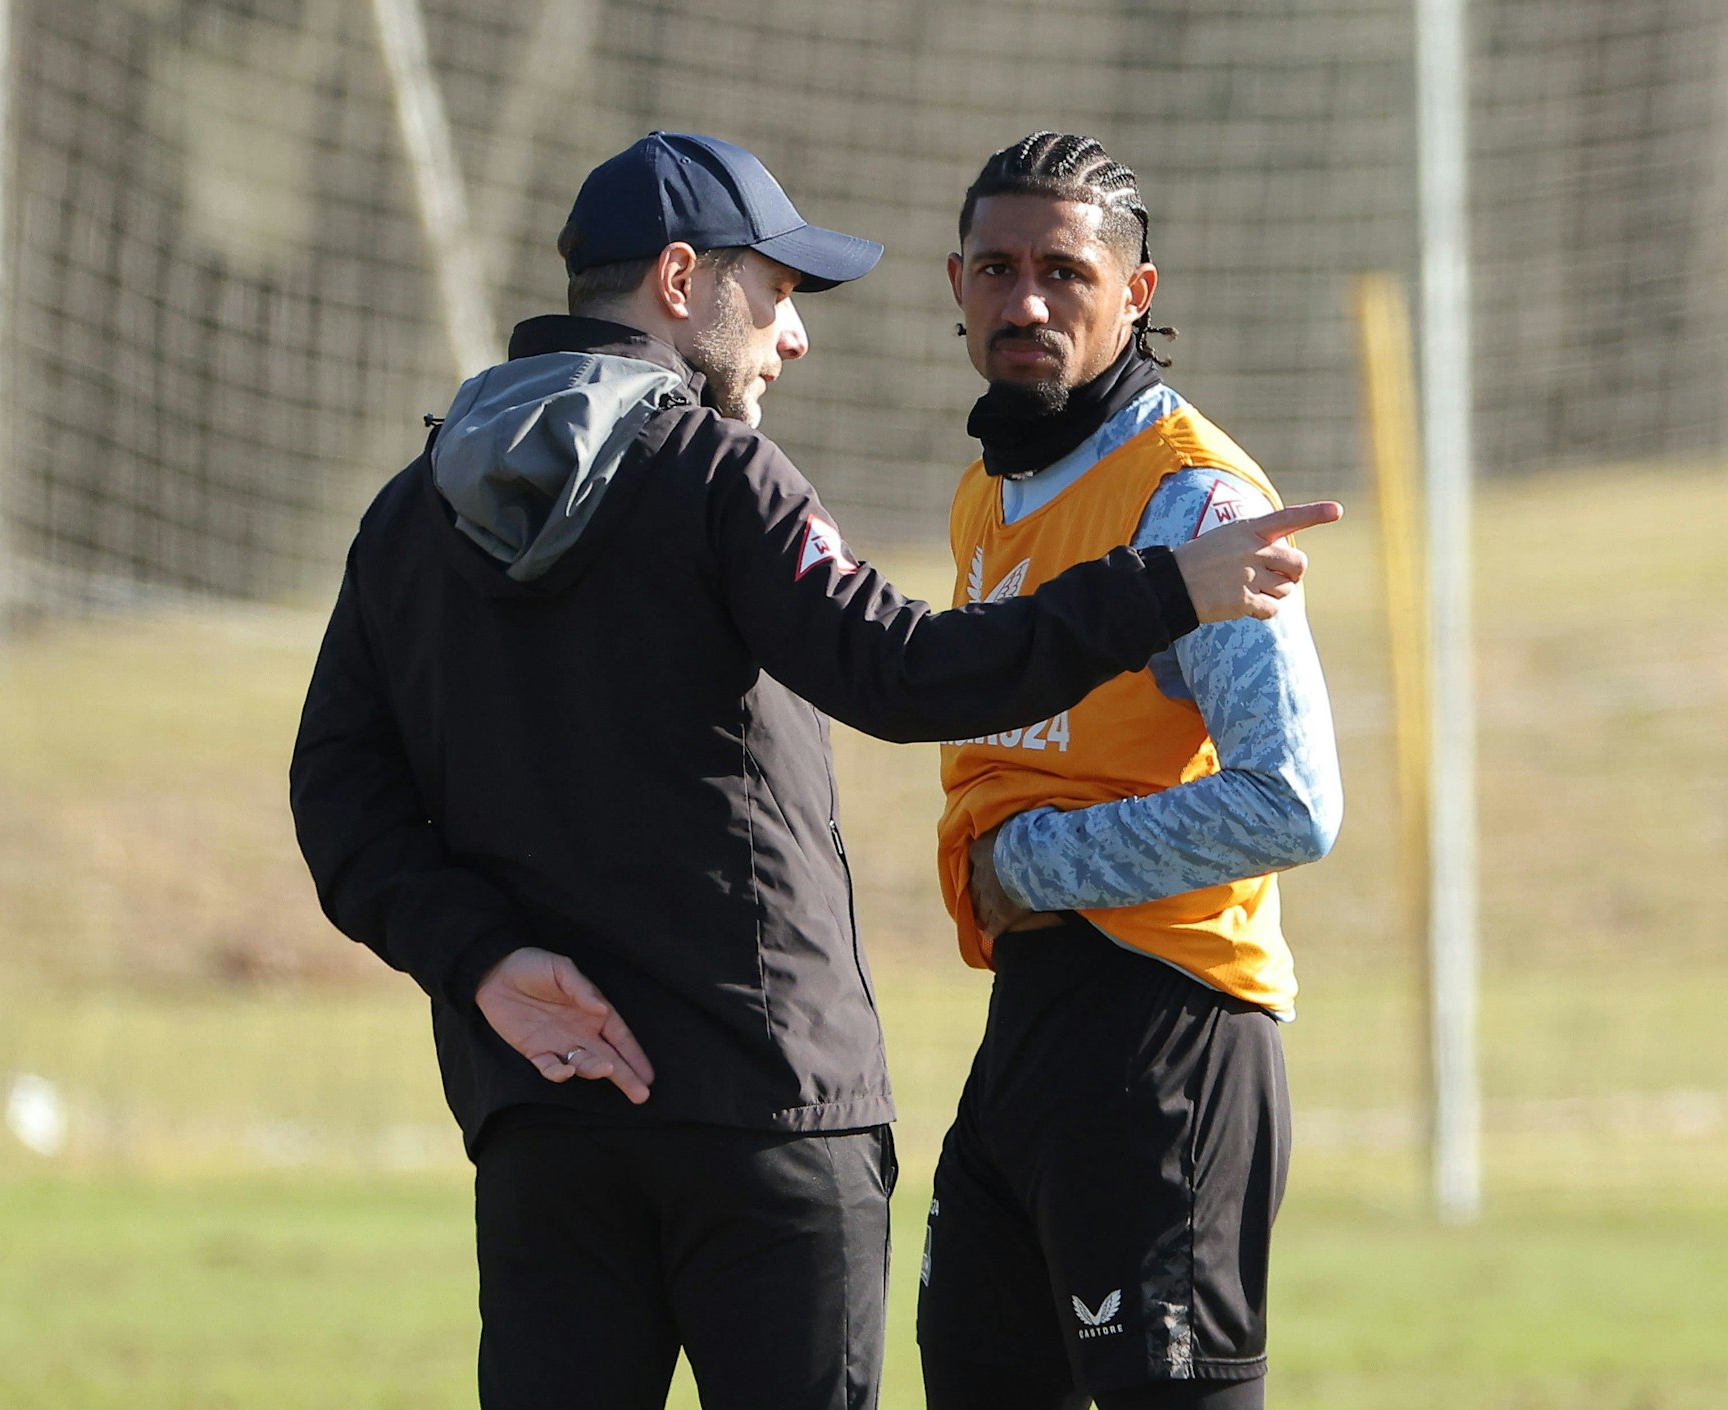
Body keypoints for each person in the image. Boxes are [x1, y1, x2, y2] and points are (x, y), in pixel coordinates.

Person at [289, 130, 1338, 1410]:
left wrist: (480, 961)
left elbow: (339, 794)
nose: (792, 336)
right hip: (771, 1118)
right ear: (681, 281)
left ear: (1136, 292)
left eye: (1060, 271)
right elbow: (902, 674)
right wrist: (1152, 598)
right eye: (777, 292)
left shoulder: (410, 510)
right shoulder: (726, 476)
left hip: (545, 1106)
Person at [918, 133, 1346, 1410]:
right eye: (995, 269)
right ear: (955, 285)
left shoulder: (1193, 504)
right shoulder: (986, 494)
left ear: (1136, 294)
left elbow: (1293, 798)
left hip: (1170, 1030)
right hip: (1032, 1030)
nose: (1025, 301)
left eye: (1063, 271)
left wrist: (1027, 864)